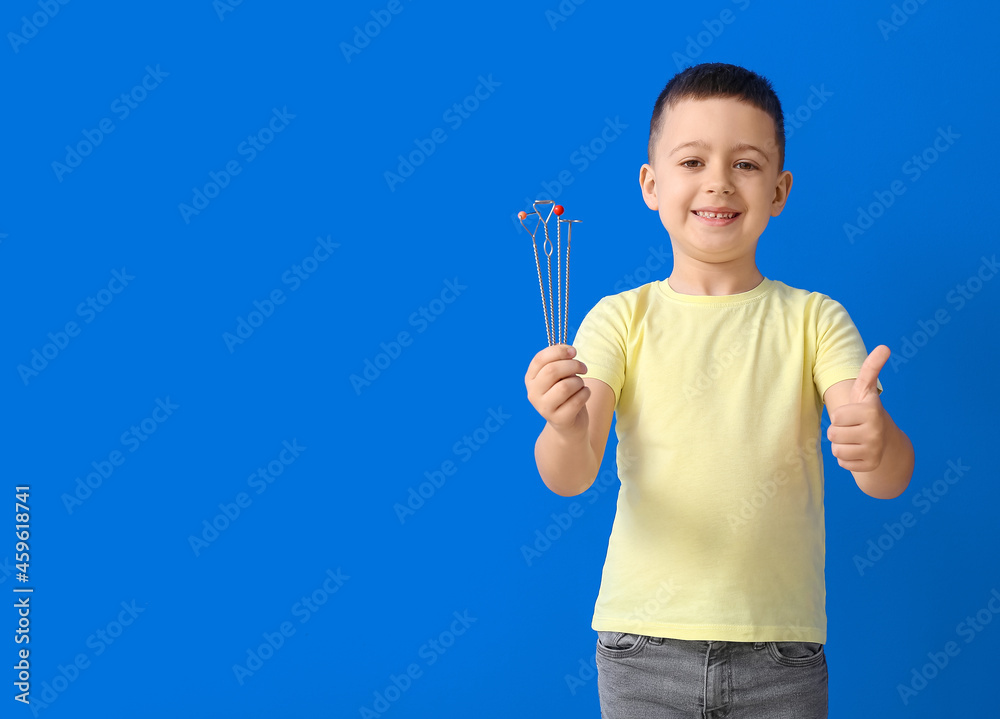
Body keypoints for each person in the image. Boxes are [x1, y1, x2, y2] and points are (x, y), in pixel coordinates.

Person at [523, 62, 915, 718]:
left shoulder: (815, 320)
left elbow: (888, 475)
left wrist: (874, 441)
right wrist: (563, 426)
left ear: (780, 190)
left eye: (746, 164)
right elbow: (571, 474)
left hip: (780, 652)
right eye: (692, 161)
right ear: (651, 184)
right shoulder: (619, 318)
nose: (718, 183)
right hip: (641, 646)